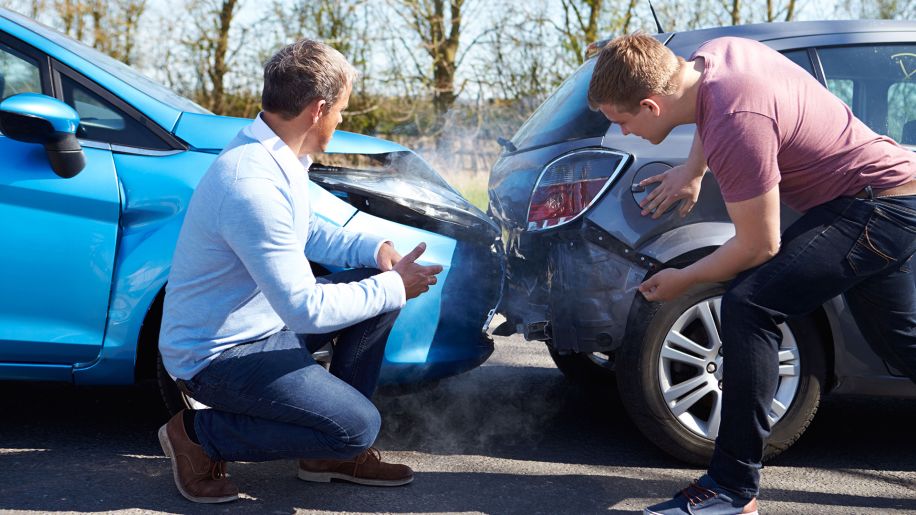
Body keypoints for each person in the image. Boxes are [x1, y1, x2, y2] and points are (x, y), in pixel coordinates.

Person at [587, 33, 916, 515]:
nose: (623, 132)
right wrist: (694, 169)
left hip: (877, 208)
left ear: (652, 105)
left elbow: (760, 245)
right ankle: (731, 489)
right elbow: (711, 108)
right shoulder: (716, 57)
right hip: (892, 195)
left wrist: (685, 280)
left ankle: (731, 488)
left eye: (622, 121)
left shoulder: (736, 120)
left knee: (750, 304)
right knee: (903, 343)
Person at [157, 38, 443, 504]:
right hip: (218, 357)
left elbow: (307, 231)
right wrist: (393, 286)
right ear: (318, 109)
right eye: (342, 111)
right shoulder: (251, 183)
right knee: (358, 426)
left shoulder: (274, 155)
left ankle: (326, 454)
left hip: (263, 328)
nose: (341, 120)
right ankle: (197, 435)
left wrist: (377, 250)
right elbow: (305, 309)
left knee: (372, 295)